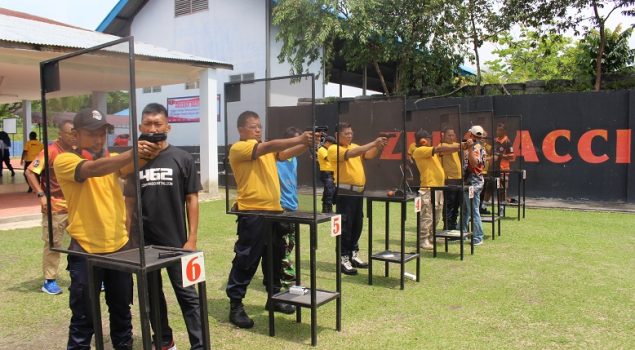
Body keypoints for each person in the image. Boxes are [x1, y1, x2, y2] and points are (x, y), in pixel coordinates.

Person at [54, 108, 160, 350]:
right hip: (85, 249)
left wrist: (152, 146)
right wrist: (134, 153)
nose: (99, 139)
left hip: (119, 247)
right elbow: (92, 170)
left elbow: (131, 164)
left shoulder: (113, 159)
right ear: (76, 135)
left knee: (123, 312)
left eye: (103, 132)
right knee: (83, 319)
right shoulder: (65, 161)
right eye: (92, 133)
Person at [122, 103, 204, 350]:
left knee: (189, 296)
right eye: (148, 124)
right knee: (151, 298)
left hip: (177, 243)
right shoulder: (131, 162)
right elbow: (129, 203)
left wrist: (191, 239)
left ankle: (199, 344)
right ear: (140, 127)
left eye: (158, 123)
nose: (153, 128)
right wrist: (128, 238)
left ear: (168, 126)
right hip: (144, 243)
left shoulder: (182, 158)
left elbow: (192, 199)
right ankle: (165, 341)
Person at [226, 111, 315, 329]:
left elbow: (286, 153)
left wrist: (308, 143)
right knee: (246, 260)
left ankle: (274, 298)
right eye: (253, 126)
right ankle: (236, 305)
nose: (258, 130)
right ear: (240, 129)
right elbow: (270, 146)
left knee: (274, 259)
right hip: (252, 213)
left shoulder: (265, 150)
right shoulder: (240, 148)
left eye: (259, 126)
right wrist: (300, 138)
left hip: (275, 212)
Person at [327, 122, 387, 275]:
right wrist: (374, 142)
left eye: (351, 133)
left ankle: (353, 254)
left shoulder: (355, 146)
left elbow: (368, 155)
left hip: (358, 193)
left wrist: (379, 146)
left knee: (357, 224)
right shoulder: (334, 149)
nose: (349, 136)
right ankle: (343, 258)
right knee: (345, 227)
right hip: (344, 193)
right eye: (346, 133)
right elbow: (352, 154)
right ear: (337, 135)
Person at [24, 120, 75, 295]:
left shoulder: (77, 151)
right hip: (55, 207)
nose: (74, 136)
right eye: (70, 133)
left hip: (76, 207)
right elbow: (30, 171)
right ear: (61, 134)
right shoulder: (50, 151)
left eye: (76, 133)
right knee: (53, 243)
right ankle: (49, 280)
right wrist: (41, 194)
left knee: (83, 242)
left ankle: (83, 275)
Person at [411, 129, 461, 249]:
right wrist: (460, 145)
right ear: (423, 140)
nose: (430, 141)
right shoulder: (419, 150)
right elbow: (439, 149)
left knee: (437, 214)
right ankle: (423, 239)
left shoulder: (428, 151)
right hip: (428, 188)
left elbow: (443, 151)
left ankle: (431, 236)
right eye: (428, 139)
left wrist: (460, 147)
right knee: (427, 215)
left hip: (437, 188)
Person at [275, 126, 308, 289]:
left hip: (293, 206)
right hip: (282, 207)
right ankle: (288, 278)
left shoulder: (294, 159)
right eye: (297, 141)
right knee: (284, 245)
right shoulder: (276, 158)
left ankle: (282, 273)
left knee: (291, 244)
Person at [461, 125, 487, 246]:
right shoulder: (475, 146)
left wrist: (470, 148)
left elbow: (474, 162)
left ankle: (477, 237)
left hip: (473, 183)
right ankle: (462, 233)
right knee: (466, 209)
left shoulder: (475, 147)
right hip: (470, 182)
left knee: (473, 210)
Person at [438, 127, 462, 230]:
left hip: (458, 179)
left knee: (456, 204)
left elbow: (460, 146)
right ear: (443, 135)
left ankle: (453, 224)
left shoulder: (455, 146)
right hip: (449, 179)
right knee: (449, 204)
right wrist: (463, 145)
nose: (451, 137)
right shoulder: (442, 146)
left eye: (453, 135)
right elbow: (457, 147)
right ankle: (447, 225)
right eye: (449, 135)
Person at [493, 123, 515, 215]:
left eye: (500, 130)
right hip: (494, 169)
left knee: (502, 189)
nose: (498, 132)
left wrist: (502, 155)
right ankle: (483, 206)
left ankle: (501, 208)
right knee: (489, 188)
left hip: (503, 170)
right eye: (497, 130)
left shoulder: (507, 142)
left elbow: (512, 157)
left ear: (504, 131)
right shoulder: (494, 140)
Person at [316, 135, 336, 213]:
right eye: (332, 144)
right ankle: (327, 208)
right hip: (326, 173)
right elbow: (328, 158)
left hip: (330, 173)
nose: (332, 146)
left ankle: (326, 208)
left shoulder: (326, 149)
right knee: (329, 191)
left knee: (329, 191)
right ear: (327, 142)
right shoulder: (322, 149)